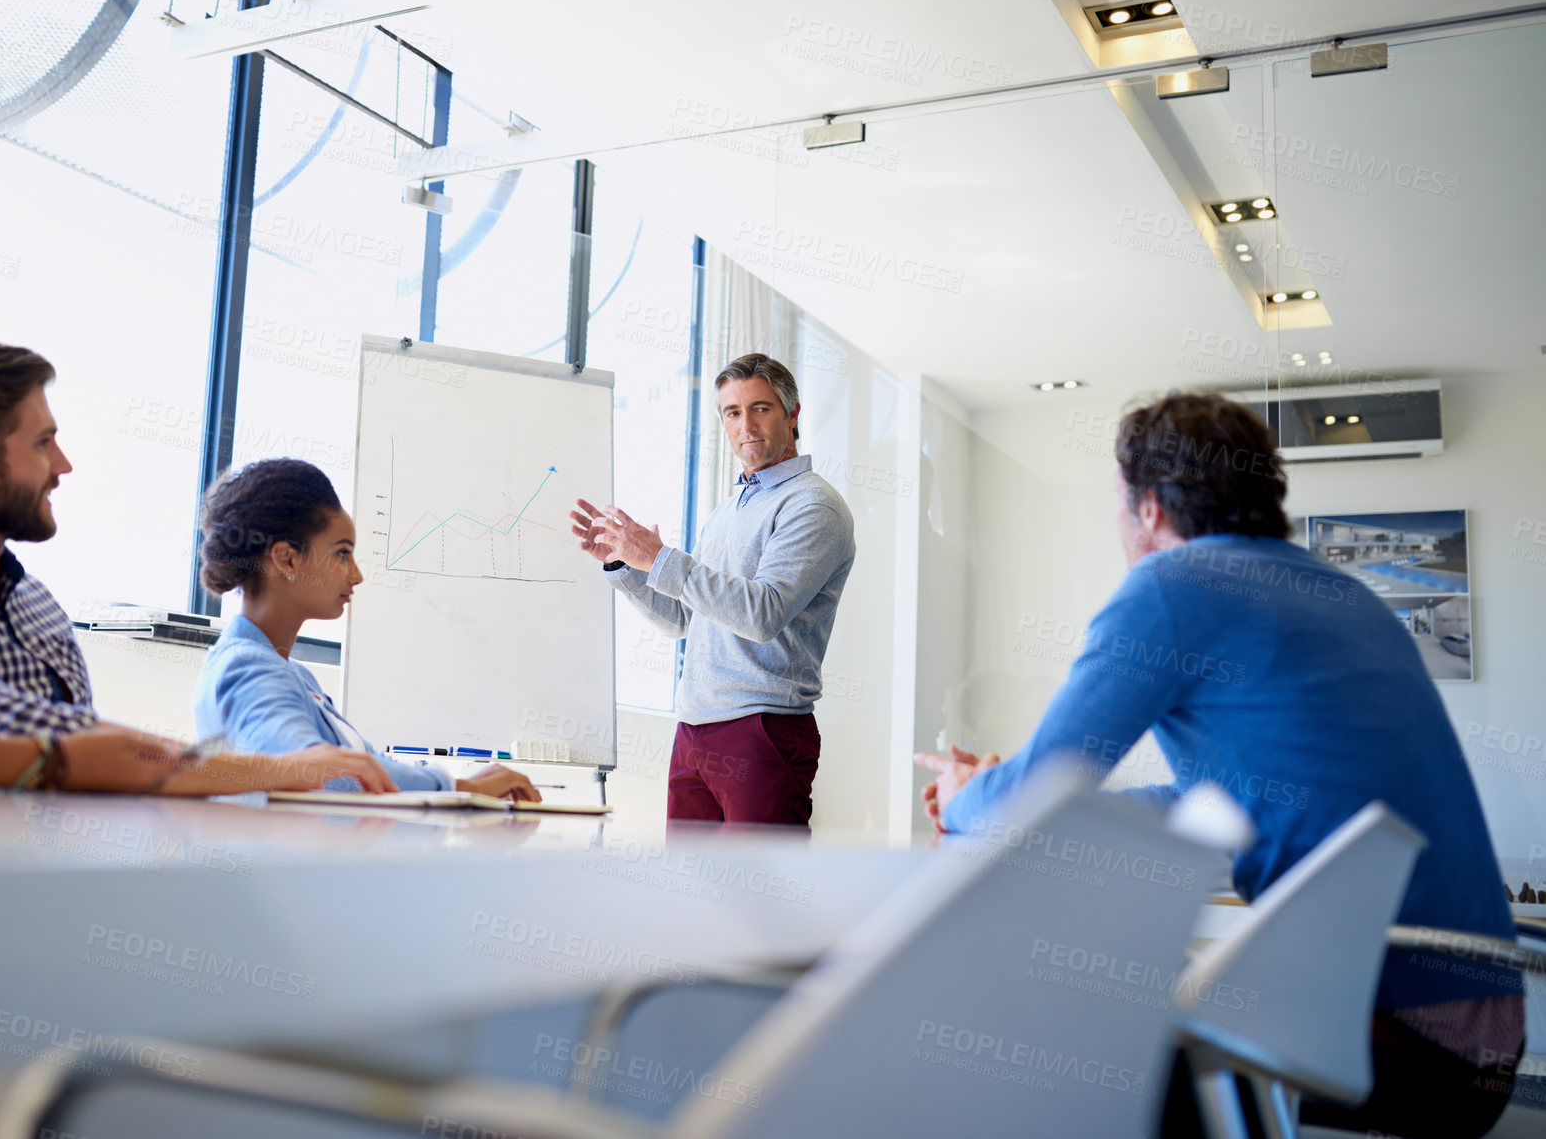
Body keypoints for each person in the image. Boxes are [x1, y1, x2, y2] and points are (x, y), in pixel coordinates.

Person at [914, 392, 1521, 1138]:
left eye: (1115, 498)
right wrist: (1007, 793)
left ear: (1147, 507)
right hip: (1484, 1036)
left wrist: (970, 792)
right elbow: (1220, 797)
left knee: (1045, 1032)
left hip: (1393, 1031)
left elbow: (1037, 794)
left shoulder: (1174, 584)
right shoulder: (1344, 594)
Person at [0, 292, 386, 796]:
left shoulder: (35, 607)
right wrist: (285, 768)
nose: (63, 466)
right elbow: (73, 749)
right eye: (43, 443)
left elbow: (96, 771)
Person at [572, 353, 854, 825]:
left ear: (792, 414)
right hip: (694, 729)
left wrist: (658, 557)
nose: (747, 425)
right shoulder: (727, 511)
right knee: (691, 896)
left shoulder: (813, 505)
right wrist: (625, 565)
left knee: (755, 894)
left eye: (761, 408)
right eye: (732, 412)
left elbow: (762, 614)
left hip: (762, 729)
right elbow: (685, 619)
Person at [193, 456, 540, 800]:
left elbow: (364, 762)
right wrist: (462, 789)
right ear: (287, 559)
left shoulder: (292, 673)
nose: (357, 575)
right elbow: (319, 771)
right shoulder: (248, 667)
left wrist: (464, 788)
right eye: (342, 554)